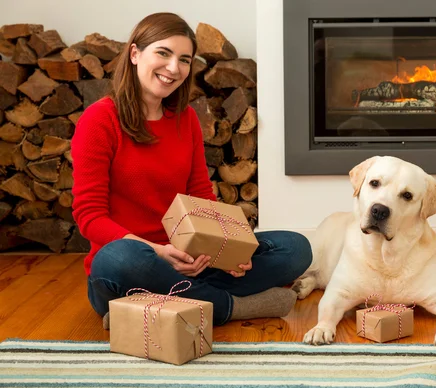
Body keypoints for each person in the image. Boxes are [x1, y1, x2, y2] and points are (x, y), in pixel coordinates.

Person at [71, 12, 312, 328]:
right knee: (117, 259)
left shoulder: (186, 121)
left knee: (296, 248)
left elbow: (201, 197)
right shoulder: (99, 120)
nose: (174, 68)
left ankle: (150, 310)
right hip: (136, 264)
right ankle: (229, 307)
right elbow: (89, 216)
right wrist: (158, 252)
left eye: (184, 59)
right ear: (134, 54)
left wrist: (224, 250)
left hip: (191, 260)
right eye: (163, 53)